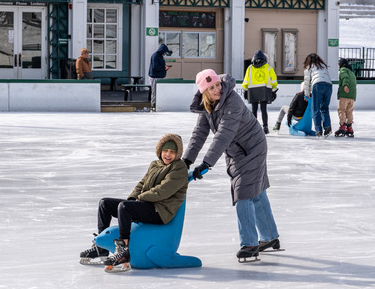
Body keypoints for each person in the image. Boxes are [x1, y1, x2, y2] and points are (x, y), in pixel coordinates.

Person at [183, 69, 281, 262]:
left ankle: (250, 244)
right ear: (204, 91)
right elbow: (199, 133)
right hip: (237, 150)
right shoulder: (207, 106)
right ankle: (269, 237)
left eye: (218, 84)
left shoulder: (232, 100)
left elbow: (224, 134)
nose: (217, 89)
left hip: (252, 147)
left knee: (243, 191)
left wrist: (206, 163)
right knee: (257, 192)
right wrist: (187, 160)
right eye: (211, 87)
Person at [79, 134, 189, 271]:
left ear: (177, 154)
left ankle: (123, 251)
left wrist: (138, 200)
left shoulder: (179, 168)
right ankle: (101, 249)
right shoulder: (155, 164)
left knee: (125, 207)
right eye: (166, 150)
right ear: (160, 150)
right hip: (147, 204)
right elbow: (141, 184)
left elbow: (163, 191)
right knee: (105, 204)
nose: (168, 154)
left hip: (160, 211)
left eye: (172, 152)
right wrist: (132, 199)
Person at [241, 50, 278, 134]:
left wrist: (245, 90)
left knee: (254, 110)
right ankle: (265, 127)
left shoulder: (250, 68)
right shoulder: (268, 67)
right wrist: (273, 90)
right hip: (264, 91)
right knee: (263, 109)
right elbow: (274, 80)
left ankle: (254, 128)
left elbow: (246, 80)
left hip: (252, 91)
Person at [303, 53, 333, 137]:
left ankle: (318, 130)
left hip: (317, 85)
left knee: (315, 109)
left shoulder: (309, 67)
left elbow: (306, 81)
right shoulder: (323, 66)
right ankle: (327, 127)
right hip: (329, 86)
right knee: (324, 108)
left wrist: (307, 94)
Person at [335, 58, 356, 138]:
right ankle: (349, 127)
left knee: (342, 110)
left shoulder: (343, 70)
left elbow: (345, 78)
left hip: (345, 94)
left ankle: (343, 126)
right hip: (352, 96)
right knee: (349, 111)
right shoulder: (351, 72)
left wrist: (345, 85)